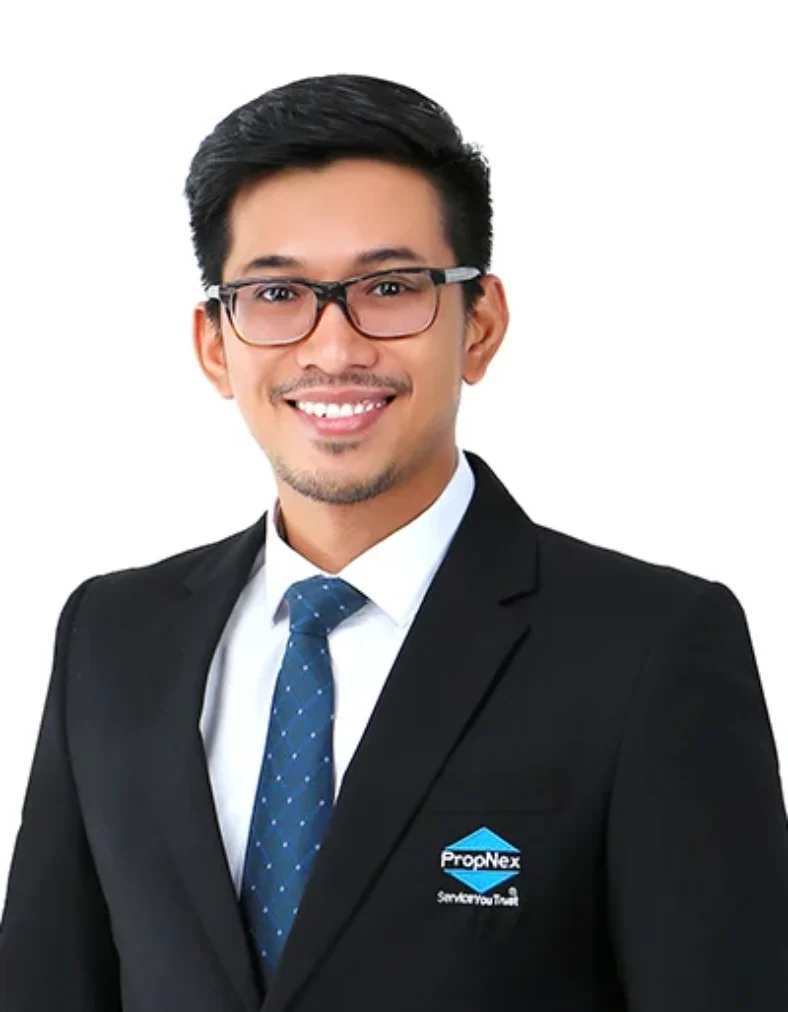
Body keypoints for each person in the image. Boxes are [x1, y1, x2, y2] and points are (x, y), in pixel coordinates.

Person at [1, 73, 787, 1012]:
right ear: (215, 345)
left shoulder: (651, 647)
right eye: (276, 293)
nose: (334, 349)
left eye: (389, 288)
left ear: (479, 325)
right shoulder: (111, 636)